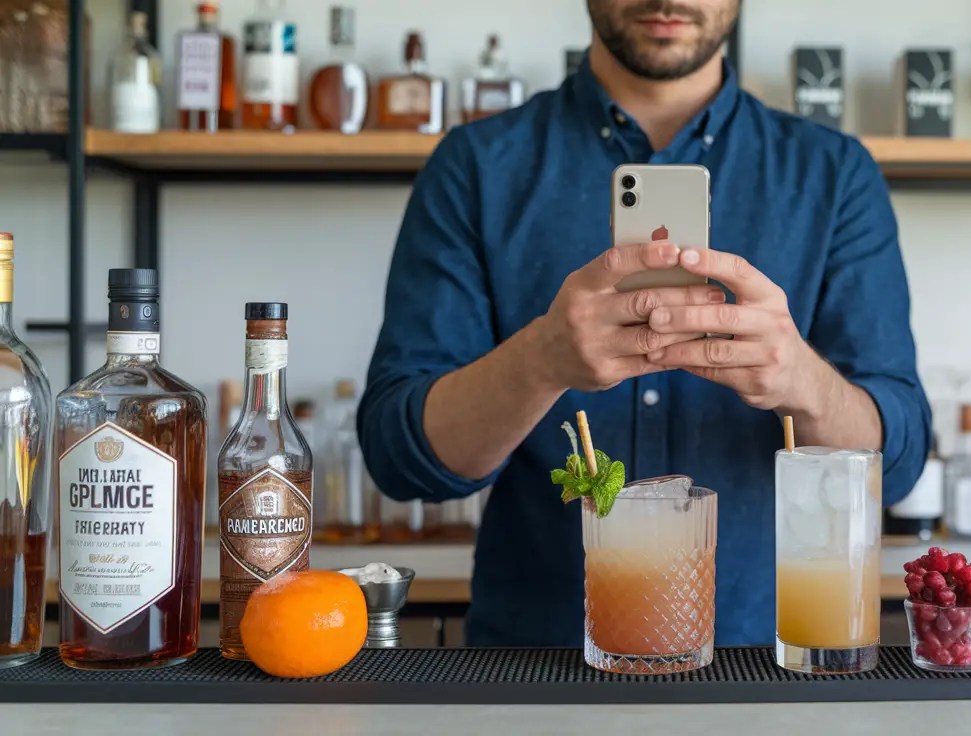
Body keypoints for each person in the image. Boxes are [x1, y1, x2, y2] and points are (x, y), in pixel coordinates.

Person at [359, 0, 932, 648]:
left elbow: (899, 463)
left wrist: (801, 378)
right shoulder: (475, 165)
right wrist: (540, 361)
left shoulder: (833, 174)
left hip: (769, 670)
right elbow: (398, 457)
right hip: (534, 677)